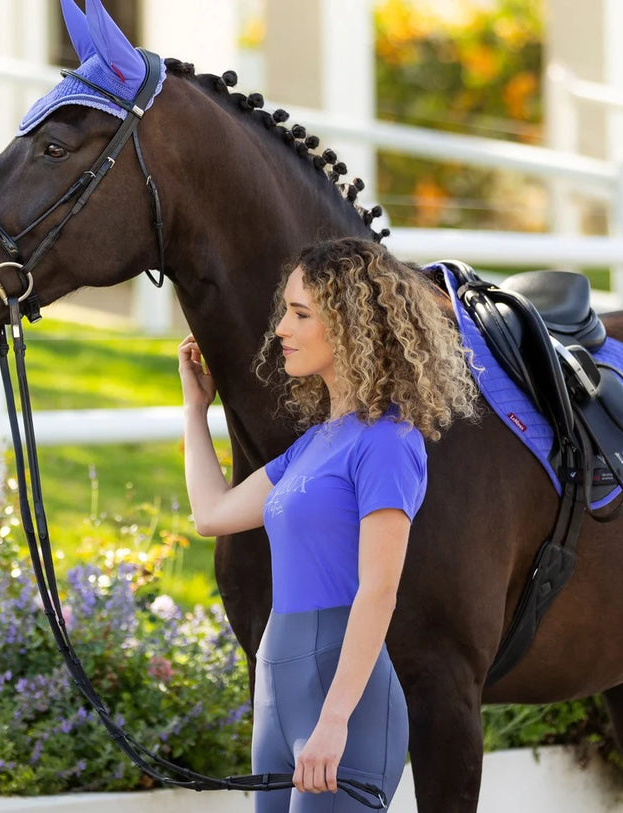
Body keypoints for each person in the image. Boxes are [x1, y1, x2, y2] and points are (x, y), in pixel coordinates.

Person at [178, 237, 480, 811]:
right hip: (278, 690)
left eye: (300, 314)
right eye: (285, 312)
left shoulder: (389, 443)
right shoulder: (318, 443)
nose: (281, 331)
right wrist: (195, 409)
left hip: (344, 706)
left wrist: (335, 719)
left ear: (349, 324)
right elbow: (211, 515)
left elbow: (380, 587)